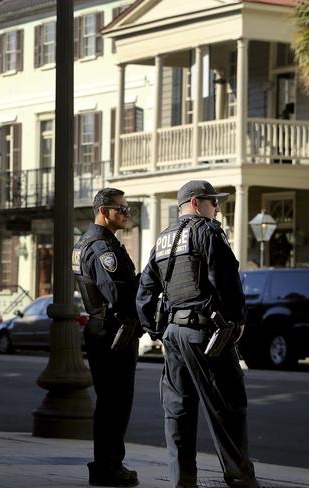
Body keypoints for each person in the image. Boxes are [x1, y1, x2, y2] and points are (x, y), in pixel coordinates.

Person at [136, 180, 259, 488]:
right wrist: (236, 320)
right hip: (205, 334)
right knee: (228, 407)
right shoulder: (208, 232)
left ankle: (182, 481)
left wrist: (156, 329)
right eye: (212, 202)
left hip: (174, 335)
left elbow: (145, 291)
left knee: (178, 411)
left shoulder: (162, 241)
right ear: (194, 203)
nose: (217, 208)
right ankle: (240, 479)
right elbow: (226, 280)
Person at [72, 188, 140, 487]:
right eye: (122, 209)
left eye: (128, 209)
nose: (127, 214)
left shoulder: (91, 242)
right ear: (104, 211)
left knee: (110, 401)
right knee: (116, 402)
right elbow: (118, 295)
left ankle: (108, 464)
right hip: (112, 328)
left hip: (104, 326)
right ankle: (108, 467)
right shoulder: (101, 247)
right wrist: (147, 283)